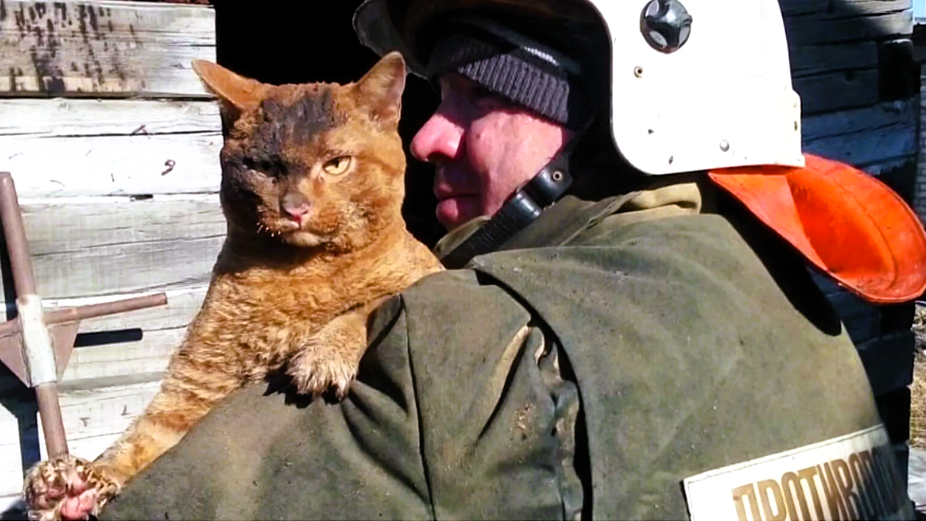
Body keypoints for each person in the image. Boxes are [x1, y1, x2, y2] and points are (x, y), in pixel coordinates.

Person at [96, 0, 926, 519]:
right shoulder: (798, 302)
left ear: (619, 113)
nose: (424, 137)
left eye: (477, 98)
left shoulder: (467, 342)